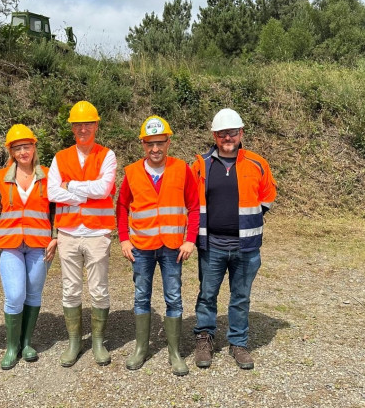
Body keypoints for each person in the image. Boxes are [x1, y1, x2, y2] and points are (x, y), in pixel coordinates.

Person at [192, 108, 277, 370]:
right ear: (214, 136)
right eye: (221, 134)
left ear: (241, 133)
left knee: (241, 297)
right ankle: (204, 338)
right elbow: (191, 202)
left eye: (232, 132)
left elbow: (268, 196)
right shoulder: (200, 164)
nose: (227, 137)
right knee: (207, 294)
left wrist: (246, 220)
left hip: (246, 246)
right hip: (212, 245)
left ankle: (238, 343)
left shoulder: (257, 163)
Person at [117, 116, 199, 376]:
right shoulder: (131, 172)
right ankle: (141, 348)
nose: (155, 149)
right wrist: (123, 238)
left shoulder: (182, 169)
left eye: (160, 143)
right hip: (141, 247)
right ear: (143, 144)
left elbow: (194, 206)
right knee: (141, 296)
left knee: (173, 297)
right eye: (150, 144)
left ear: (168, 142)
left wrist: (190, 239)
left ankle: (175, 352)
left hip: (173, 247)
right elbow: (121, 207)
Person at [47, 100, 117, 367]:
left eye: (88, 123)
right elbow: (53, 193)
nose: (83, 128)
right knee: (70, 289)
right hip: (68, 233)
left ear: (96, 125)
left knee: (99, 289)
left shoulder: (107, 155)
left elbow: (104, 189)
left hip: (97, 233)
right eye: (78, 124)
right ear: (72, 128)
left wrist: (72, 186)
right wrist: (84, 196)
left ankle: (98, 342)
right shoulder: (60, 156)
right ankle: (75, 342)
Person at [0, 124, 57, 370]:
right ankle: (12, 345)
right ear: (11, 152)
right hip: (9, 244)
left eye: (26, 146)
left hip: (40, 245)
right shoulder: (0, 177)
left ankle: (27, 342)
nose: (23, 152)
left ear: (34, 147)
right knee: (15, 295)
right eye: (17, 148)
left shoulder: (49, 176)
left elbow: (56, 210)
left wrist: (55, 237)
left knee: (34, 295)